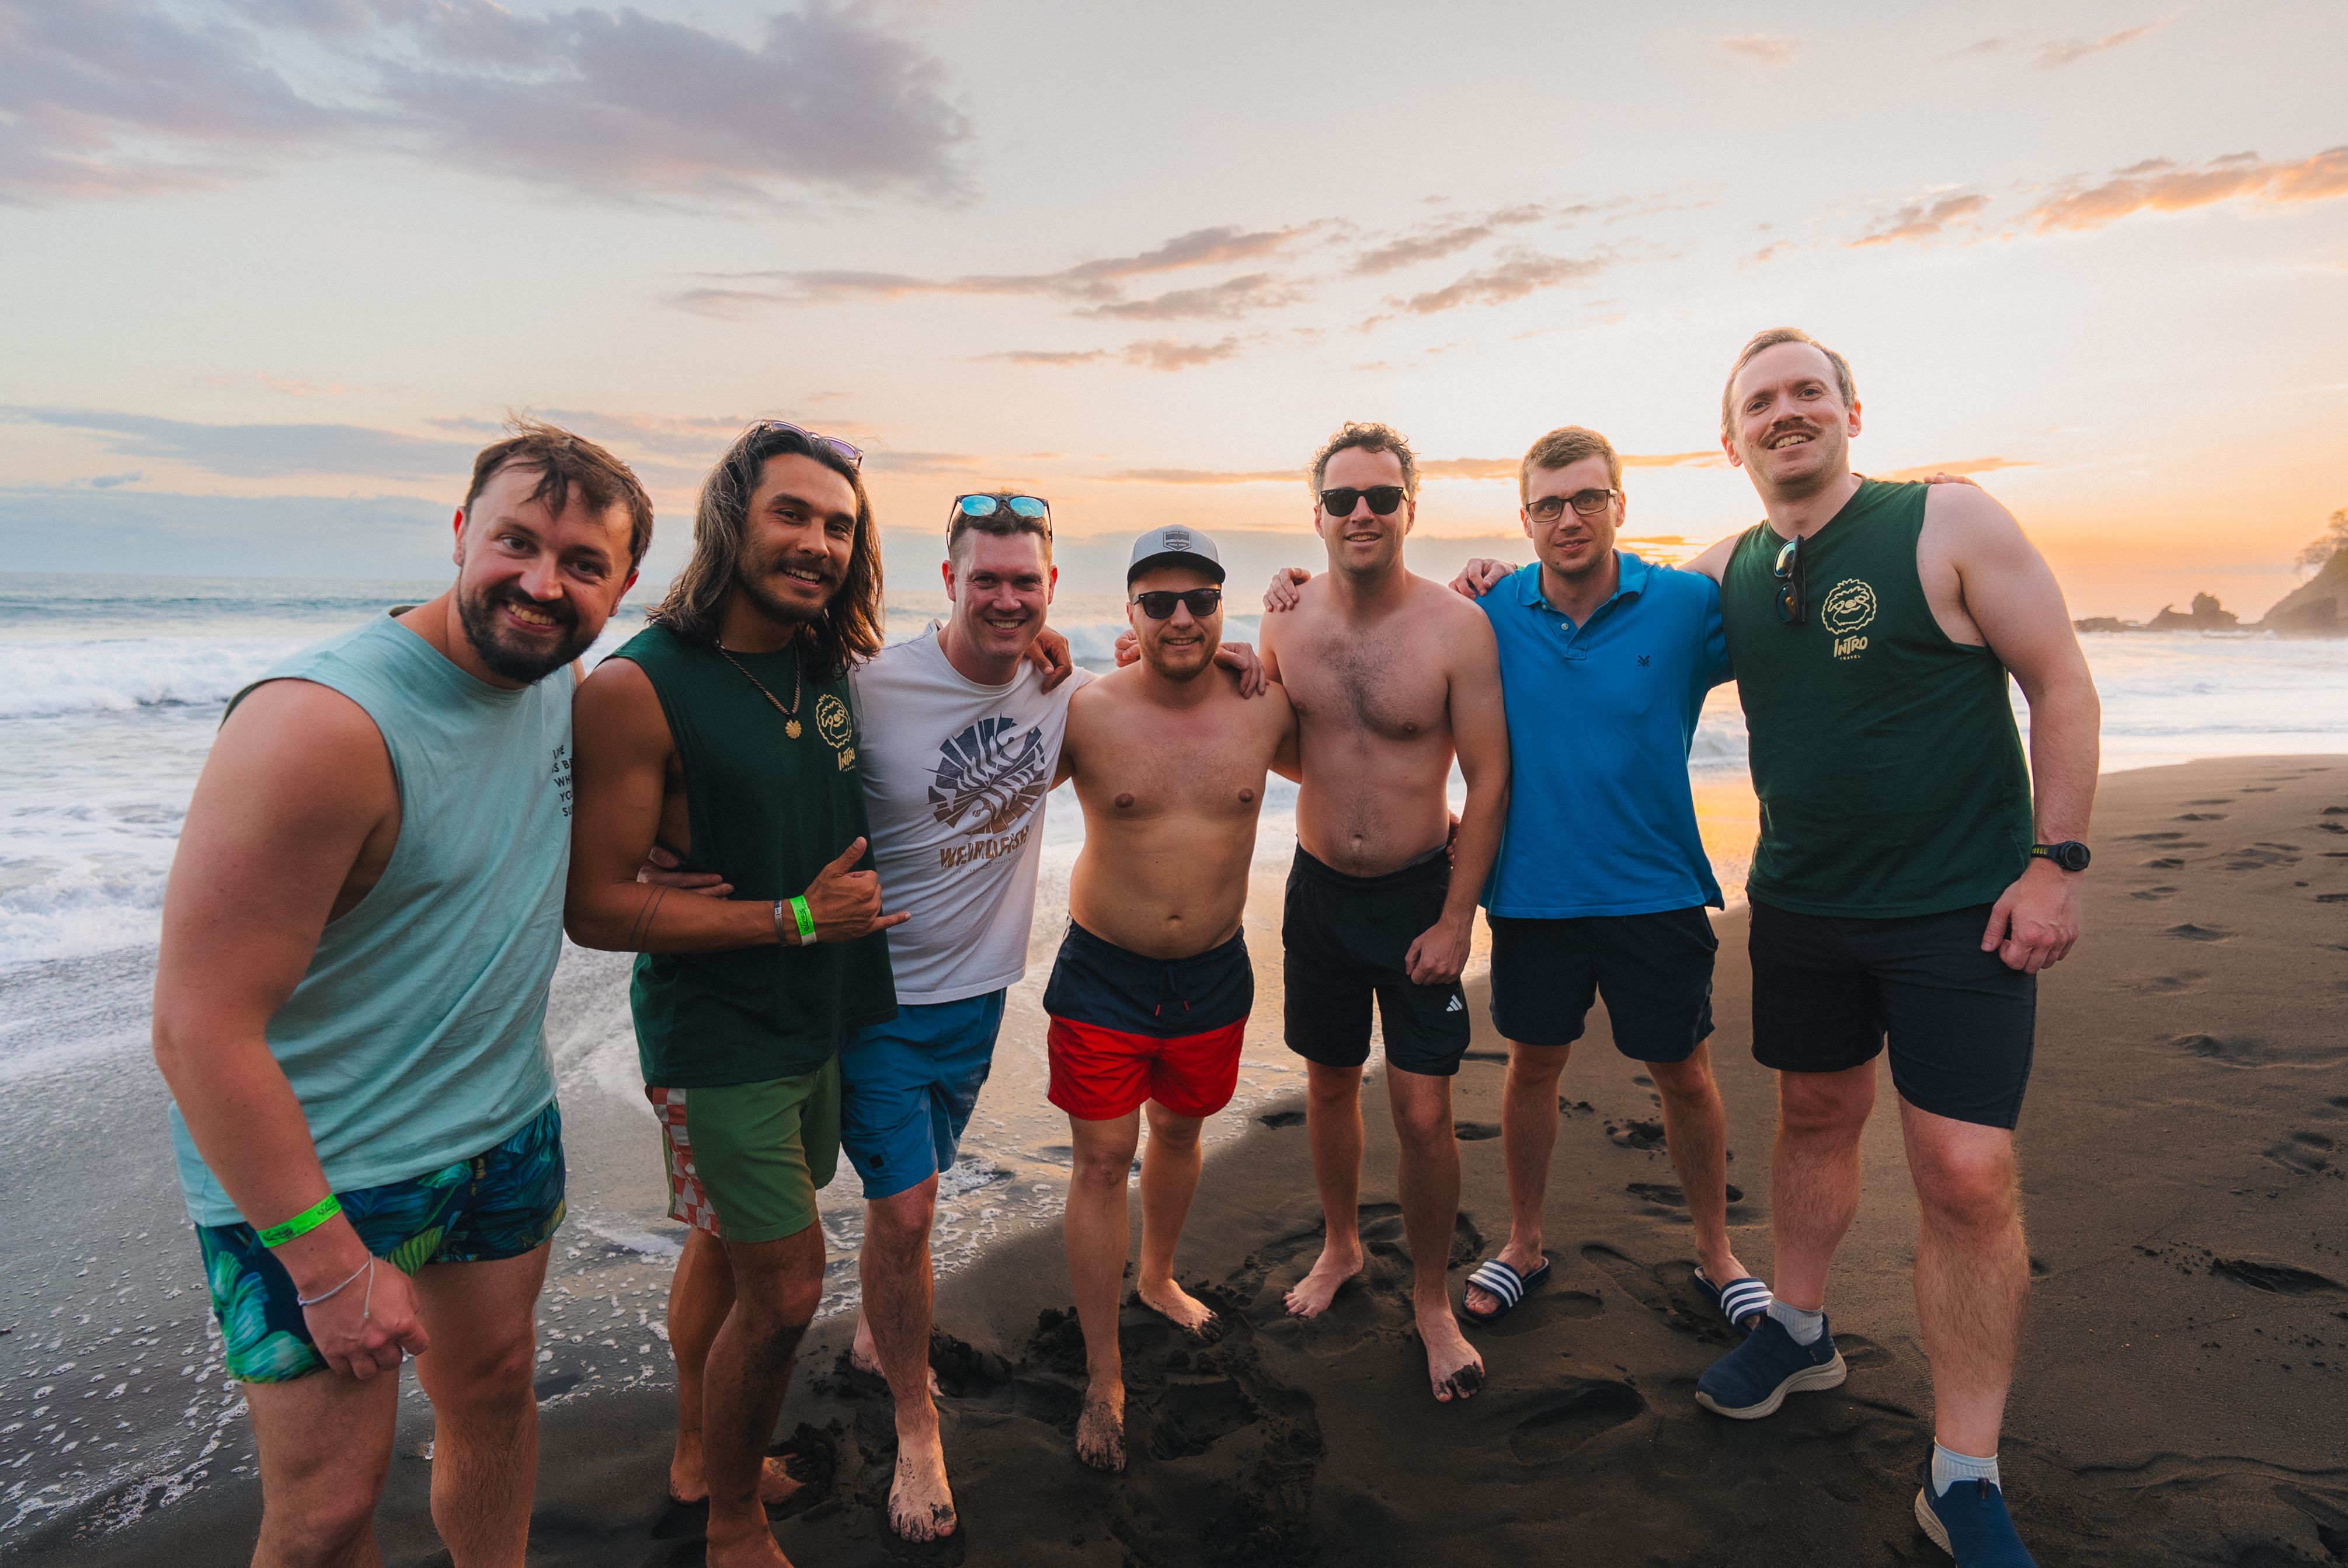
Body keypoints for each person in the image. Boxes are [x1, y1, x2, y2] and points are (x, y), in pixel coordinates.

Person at [153, 420, 653, 1568]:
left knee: (497, 1387)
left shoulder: (553, 675)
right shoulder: (318, 726)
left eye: (582, 563)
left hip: (500, 1128)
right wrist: (323, 1258)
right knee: (327, 1511)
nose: (543, 583)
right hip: (320, 1169)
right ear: (461, 531)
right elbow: (195, 1028)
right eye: (516, 542)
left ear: (622, 586)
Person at [1692, 329, 2097, 1568]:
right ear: (1730, 440)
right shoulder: (1728, 568)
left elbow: (2061, 682)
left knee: (1965, 1173)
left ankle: (1963, 1472)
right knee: (1814, 1112)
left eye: (1807, 391)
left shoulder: (1945, 520)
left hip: (1959, 910)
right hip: (1801, 905)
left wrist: (2054, 862)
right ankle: (1798, 1328)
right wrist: (1484, 583)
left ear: (1851, 412)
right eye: (1760, 402)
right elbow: (1593, 613)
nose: (1786, 412)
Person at [1281, 424, 1771, 1334]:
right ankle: (1522, 1243)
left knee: (1682, 1071)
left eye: (1587, 499)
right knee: (1531, 1066)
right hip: (1534, 891)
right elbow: (1361, 662)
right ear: (1525, 518)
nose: (1568, 518)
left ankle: (1716, 1251)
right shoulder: (1493, 608)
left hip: (1655, 886)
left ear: (1619, 505)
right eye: (1548, 505)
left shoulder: (1677, 603)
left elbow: (1762, 574)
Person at [565, 420, 904, 1568]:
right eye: (792, 514)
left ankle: (695, 1452)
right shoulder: (639, 684)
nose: (818, 543)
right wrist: (797, 918)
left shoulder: (823, 659)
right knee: (791, 1287)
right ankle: (731, 1523)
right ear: (732, 521)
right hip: (717, 1035)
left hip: (816, 1017)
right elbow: (596, 905)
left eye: (839, 527)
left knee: (723, 1243)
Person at [1253, 423, 1510, 1404]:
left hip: (1417, 895)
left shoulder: (1456, 626)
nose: (1361, 512)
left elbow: (1488, 779)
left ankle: (1433, 1298)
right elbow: (1281, 743)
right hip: (1318, 891)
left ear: (1410, 508)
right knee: (1327, 1084)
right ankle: (1341, 1246)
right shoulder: (1284, 621)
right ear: (1315, 512)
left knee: (1423, 1109)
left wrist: (1456, 919)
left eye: (1381, 496)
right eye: (1341, 498)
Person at [1046, 525, 1298, 1471]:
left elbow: (1363, 757)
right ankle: (1102, 1373)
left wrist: (1438, 819)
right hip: (1102, 973)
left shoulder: (1264, 706)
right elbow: (982, 793)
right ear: (1130, 613)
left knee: (1182, 1133)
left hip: (1213, 971)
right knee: (1102, 1161)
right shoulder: (1087, 709)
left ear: (1223, 607)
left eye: (1200, 600)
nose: (1181, 617)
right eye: (1158, 602)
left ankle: (1156, 1275)